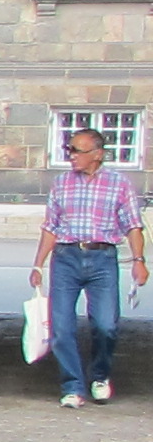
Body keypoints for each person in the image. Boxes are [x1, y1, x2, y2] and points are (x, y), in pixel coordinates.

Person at [28, 126, 147, 408]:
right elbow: (51, 226)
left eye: (77, 151)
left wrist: (139, 261)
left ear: (97, 154)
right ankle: (72, 386)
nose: (71, 156)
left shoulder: (119, 184)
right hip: (66, 257)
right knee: (61, 327)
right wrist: (38, 265)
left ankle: (100, 376)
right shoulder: (61, 183)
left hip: (102, 258)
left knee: (106, 325)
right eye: (69, 150)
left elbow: (133, 225)